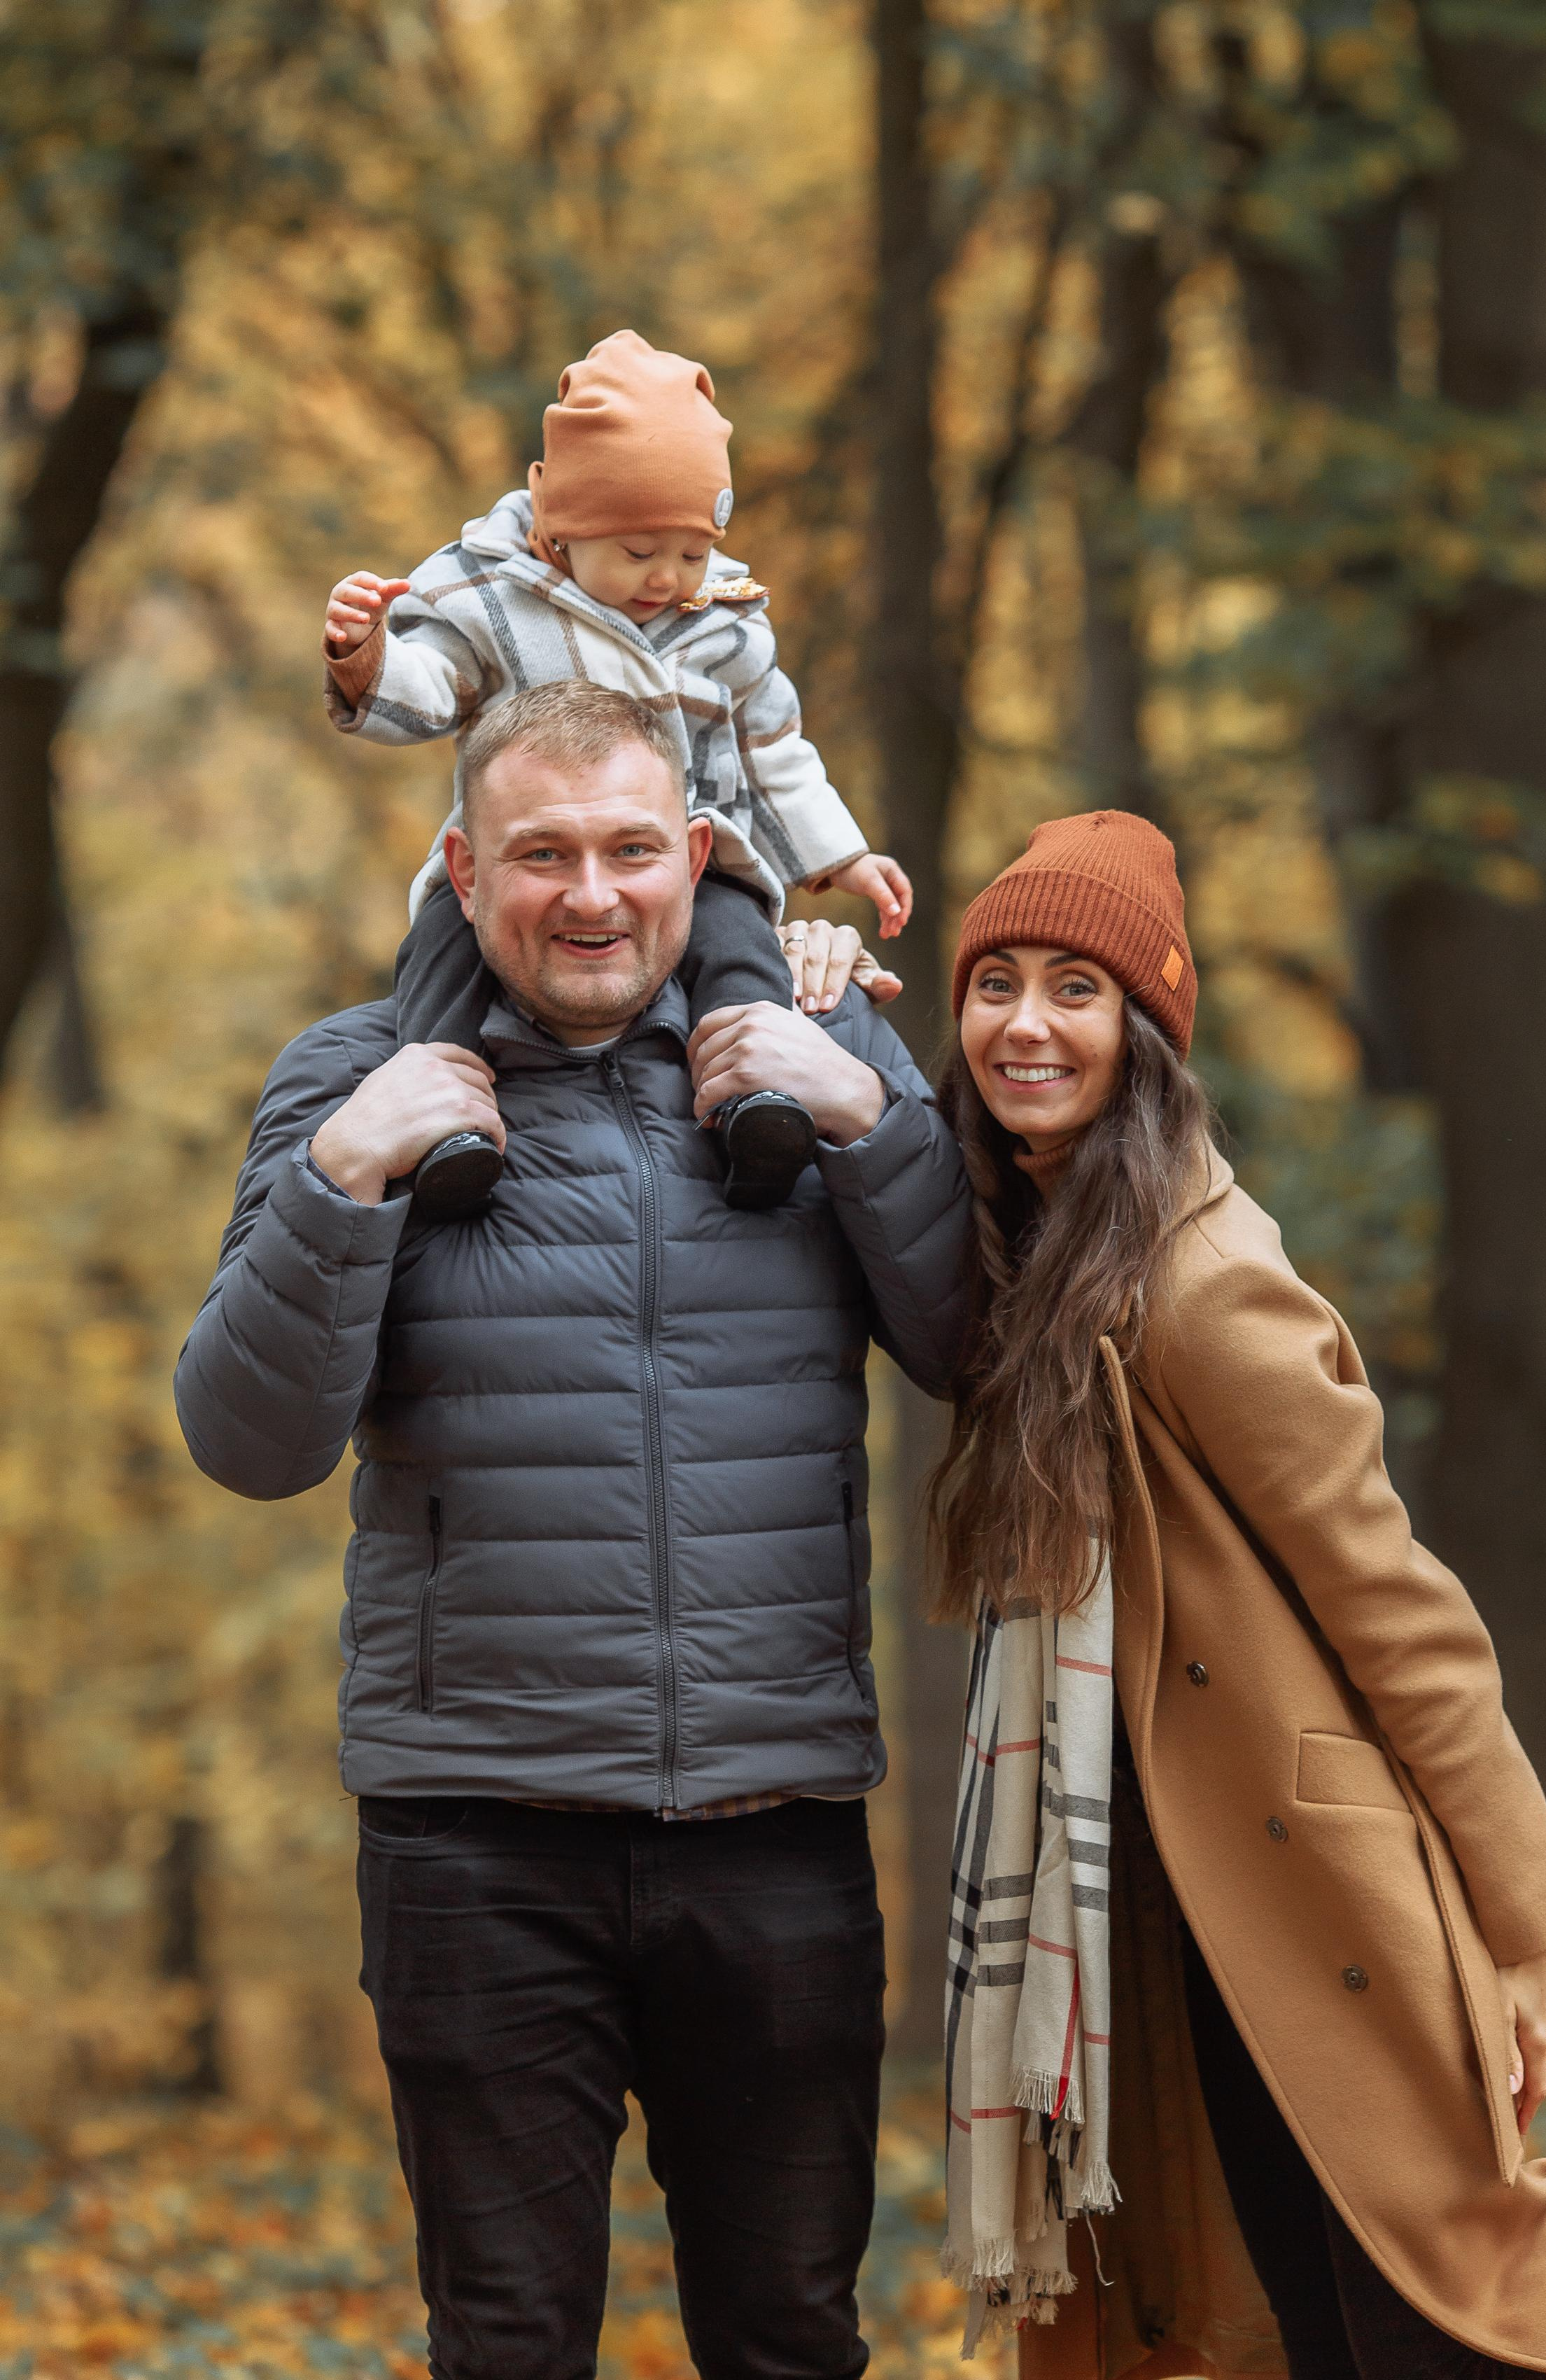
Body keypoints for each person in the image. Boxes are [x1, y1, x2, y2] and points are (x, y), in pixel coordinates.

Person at [174, 682, 971, 2380]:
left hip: (776, 1825)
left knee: (788, 2333)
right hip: (475, 1835)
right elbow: (248, 1440)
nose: (592, 896)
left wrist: (874, 1122)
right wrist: (342, 1174)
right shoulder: (348, 1075)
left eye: (628, 849)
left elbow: (983, 1349)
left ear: (698, 856)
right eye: (542, 854)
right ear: (462, 872)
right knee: (511, 2338)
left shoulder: (828, 1058)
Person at [931, 808, 1546, 2380]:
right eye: (996, 983)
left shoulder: (1194, 1280)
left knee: (1450, 2296)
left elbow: (1397, 1602)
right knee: (1294, 2313)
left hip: (1295, 1875)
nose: (1026, 1023)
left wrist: (1525, 1922)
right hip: (1159, 1895)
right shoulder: (1032, 1249)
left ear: (1148, 1031)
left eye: (1076, 988)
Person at [321, 326, 911, 1208]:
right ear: (562, 528)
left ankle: (756, 1104)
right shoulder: (492, 597)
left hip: (692, 855)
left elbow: (774, 745)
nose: (668, 578)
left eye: (692, 552)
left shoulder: (726, 621)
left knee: (740, 951)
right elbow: (428, 689)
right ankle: (443, 1118)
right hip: (521, 858)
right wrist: (365, 656)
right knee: (443, 954)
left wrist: (839, 855)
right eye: (639, 554)